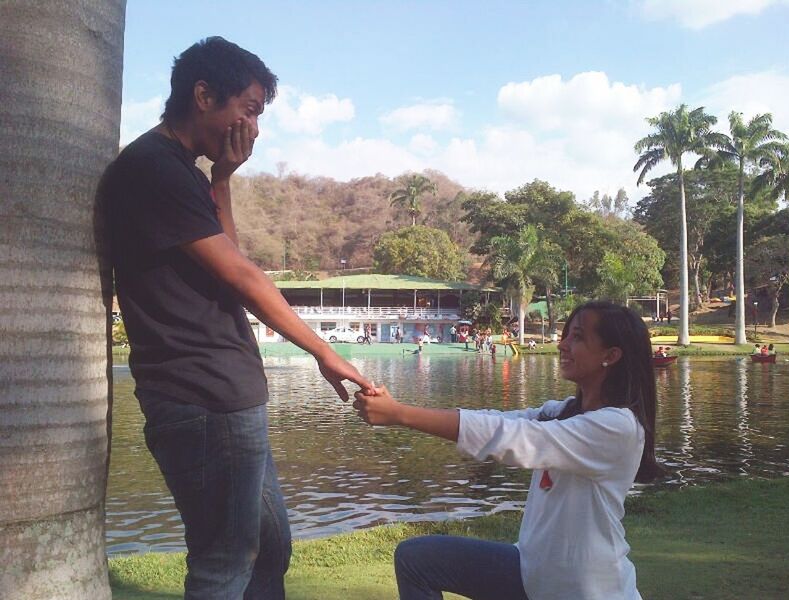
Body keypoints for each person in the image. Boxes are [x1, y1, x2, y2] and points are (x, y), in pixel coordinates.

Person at [104, 37, 373, 599]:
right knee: (223, 564)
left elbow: (230, 256)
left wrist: (222, 179)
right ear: (203, 95)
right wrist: (324, 351)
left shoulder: (184, 173)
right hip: (201, 396)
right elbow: (244, 277)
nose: (253, 126)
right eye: (248, 110)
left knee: (268, 548)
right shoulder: (154, 169)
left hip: (227, 397)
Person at [353, 301, 661, 600]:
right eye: (566, 335)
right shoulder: (563, 411)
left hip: (585, 589)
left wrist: (400, 415)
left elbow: (513, 437)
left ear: (611, 355)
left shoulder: (617, 427)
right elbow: (498, 421)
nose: (562, 344)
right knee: (415, 559)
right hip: (534, 573)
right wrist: (400, 411)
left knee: (416, 559)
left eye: (577, 337)